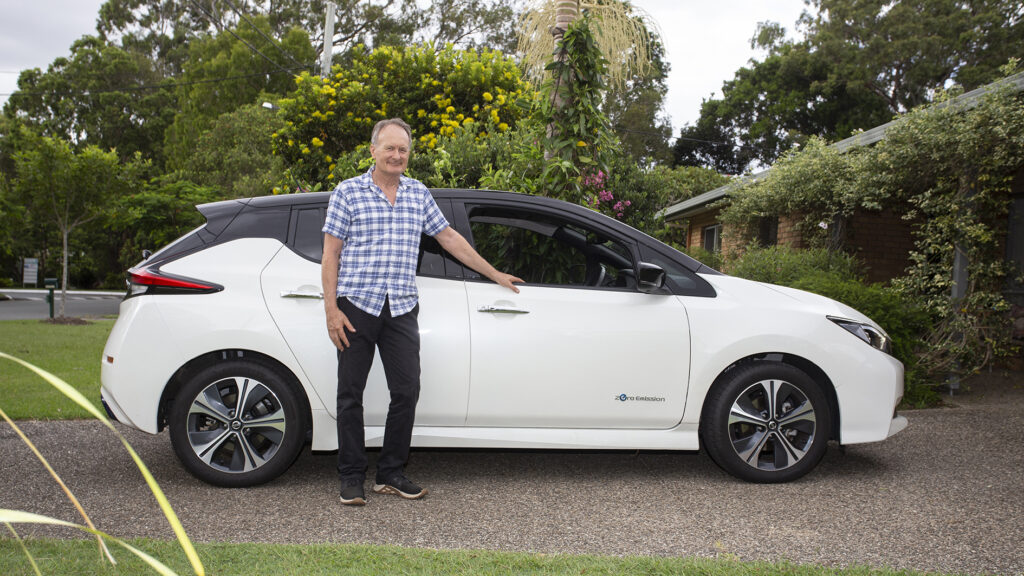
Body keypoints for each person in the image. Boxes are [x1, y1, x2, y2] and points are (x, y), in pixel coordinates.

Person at [321, 118, 522, 506]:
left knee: (407, 391)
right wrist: (331, 310)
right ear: (373, 151)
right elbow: (331, 253)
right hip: (355, 307)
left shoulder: (417, 194)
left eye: (403, 150)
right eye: (390, 148)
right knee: (350, 394)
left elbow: (448, 238)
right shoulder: (347, 193)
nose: (397, 156)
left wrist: (494, 273)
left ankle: (391, 472)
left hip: (400, 307)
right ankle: (351, 476)